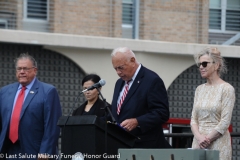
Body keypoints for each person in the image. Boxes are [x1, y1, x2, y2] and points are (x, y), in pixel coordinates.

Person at [0, 53, 62, 160]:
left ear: (35, 70)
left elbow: (52, 125)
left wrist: (45, 151)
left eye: (25, 69)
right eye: (19, 69)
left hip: (35, 152)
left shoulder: (48, 91)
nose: (22, 72)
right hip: (7, 150)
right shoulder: (4, 92)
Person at [110, 47, 170, 148]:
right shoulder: (119, 83)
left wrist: (137, 121)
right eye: (115, 69)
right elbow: (118, 112)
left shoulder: (152, 80)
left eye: (120, 67)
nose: (118, 72)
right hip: (121, 144)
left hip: (144, 145)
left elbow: (162, 112)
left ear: (132, 61)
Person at [190, 47, 235, 160]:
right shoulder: (199, 89)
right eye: (199, 64)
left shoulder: (227, 89)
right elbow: (193, 119)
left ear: (216, 65)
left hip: (218, 143)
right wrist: (199, 138)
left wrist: (207, 139)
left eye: (205, 63)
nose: (201, 67)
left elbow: (225, 122)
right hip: (198, 142)